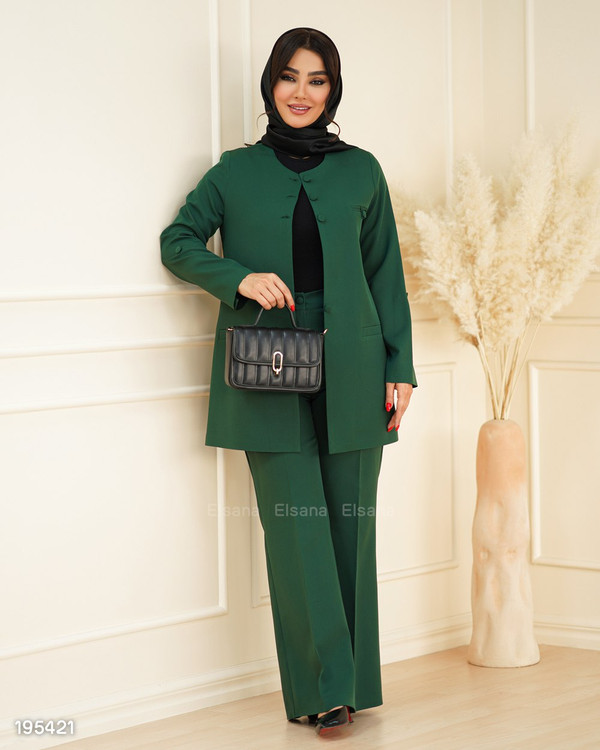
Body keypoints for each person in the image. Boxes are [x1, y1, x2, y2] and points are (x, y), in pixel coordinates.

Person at [160, 27, 417, 737]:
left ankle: (352, 686)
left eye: (317, 79)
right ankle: (324, 690)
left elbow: (385, 274)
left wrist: (400, 368)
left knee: (351, 526)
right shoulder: (233, 171)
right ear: (270, 84)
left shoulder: (362, 170)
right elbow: (177, 241)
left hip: (356, 363)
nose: (301, 93)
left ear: (333, 90)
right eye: (289, 77)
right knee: (296, 525)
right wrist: (237, 277)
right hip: (266, 362)